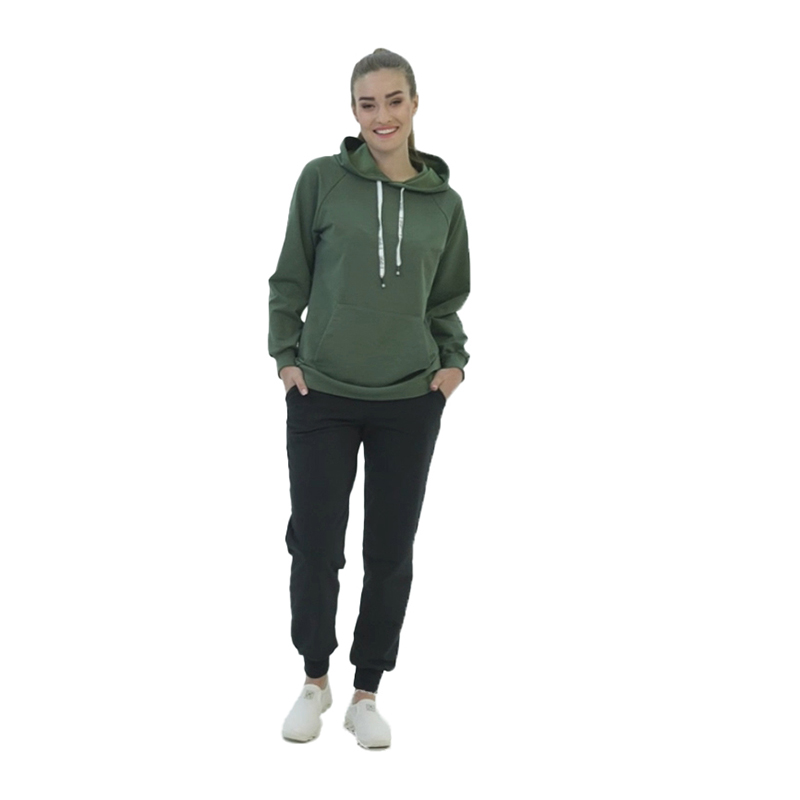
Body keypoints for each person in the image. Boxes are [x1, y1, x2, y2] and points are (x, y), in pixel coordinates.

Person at [269, 48, 470, 749]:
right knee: (315, 545)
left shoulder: (445, 204)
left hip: (409, 399)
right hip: (322, 391)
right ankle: (314, 681)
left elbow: (446, 299)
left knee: (389, 550)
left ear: (414, 103)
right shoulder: (321, 180)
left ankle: (366, 692)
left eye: (393, 100)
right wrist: (285, 358)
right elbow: (289, 277)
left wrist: (452, 365)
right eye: (367, 103)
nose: (381, 115)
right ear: (354, 112)